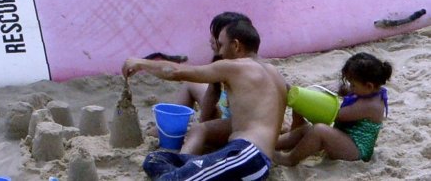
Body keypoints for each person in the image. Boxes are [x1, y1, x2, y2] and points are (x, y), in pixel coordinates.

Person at [124, 15, 286, 178]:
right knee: (155, 159)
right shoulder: (275, 74)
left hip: (245, 155)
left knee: (171, 178)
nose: (220, 51)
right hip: (255, 160)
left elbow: (176, 72)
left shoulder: (235, 67)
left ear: (236, 45)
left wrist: (141, 63)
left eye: (221, 45)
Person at [278, 50, 390, 166]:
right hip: (344, 138)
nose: (350, 87)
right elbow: (348, 90)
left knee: (318, 130)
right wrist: (334, 89)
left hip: (356, 150)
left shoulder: (371, 106)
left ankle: (290, 159)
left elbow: (334, 115)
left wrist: (305, 100)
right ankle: (272, 144)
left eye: (353, 85)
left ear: (369, 86)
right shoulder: (367, 91)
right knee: (306, 130)